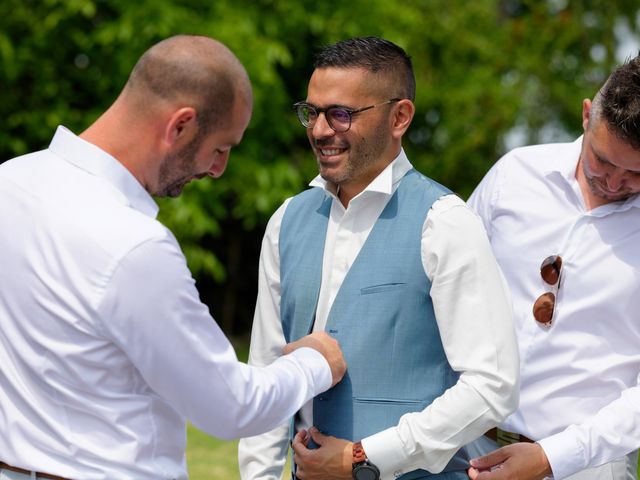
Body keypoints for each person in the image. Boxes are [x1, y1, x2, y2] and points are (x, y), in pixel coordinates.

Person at [0, 34, 347, 480]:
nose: (218, 170)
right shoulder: (133, 245)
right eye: (221, 148)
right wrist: (317, 361)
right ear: (180, 126)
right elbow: (230, 407)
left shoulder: (11, 180)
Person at [238, 36, 519, 480]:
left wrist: (364, 457)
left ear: (399, 117)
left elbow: (492, 387)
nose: (319, 130)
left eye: (341, 114)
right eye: (312, 112)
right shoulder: (285, 221)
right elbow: (266, 376)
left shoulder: (443, 222)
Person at [466, 55, 640, 480]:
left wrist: (552, 456)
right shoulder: (512, 175)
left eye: (635, 172)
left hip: (588, 468)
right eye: (602, 160)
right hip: (462, 450)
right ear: (586, 115)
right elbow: (443, 289)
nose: (615, 183)